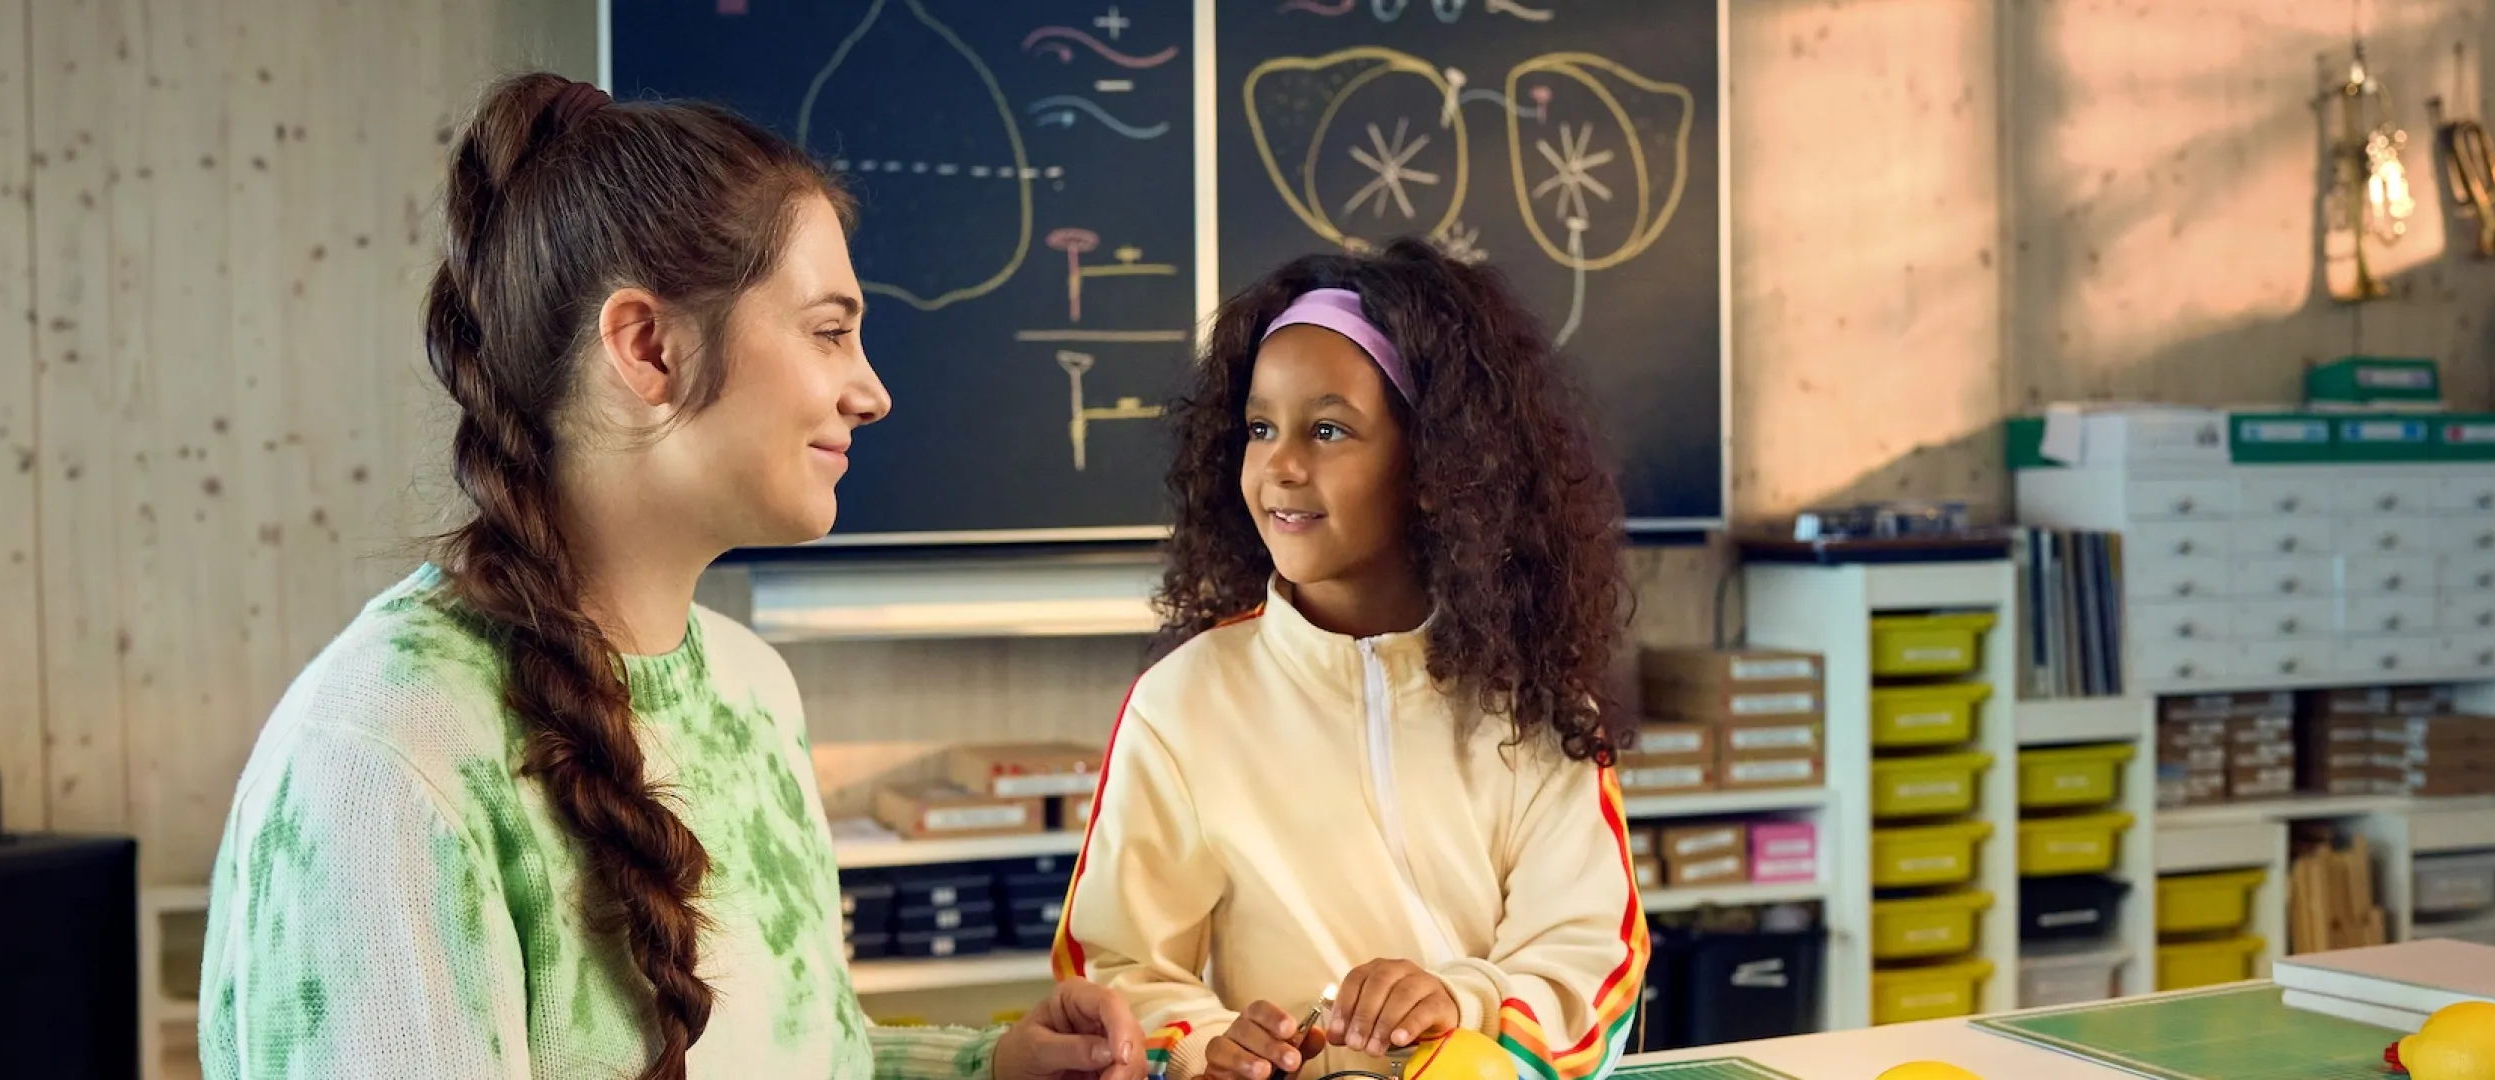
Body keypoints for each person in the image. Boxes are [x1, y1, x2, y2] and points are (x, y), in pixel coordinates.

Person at [197, 74, 1143, 1080]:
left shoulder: (751, 690)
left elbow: (802, 1059)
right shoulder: (387, 751)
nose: (872, 391)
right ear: (649, 348)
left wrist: (990, 1069)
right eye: (829, 330)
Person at [1050, 241, 1647, 1080]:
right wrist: (1202, 1049)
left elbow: (1594, 966)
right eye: (1261, 429)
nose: (1282, 466)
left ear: (1437, 469)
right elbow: (1118, 970)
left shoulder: (1536, 705)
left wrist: (1463, 1003)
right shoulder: (1182, 705)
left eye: (1328, 429)